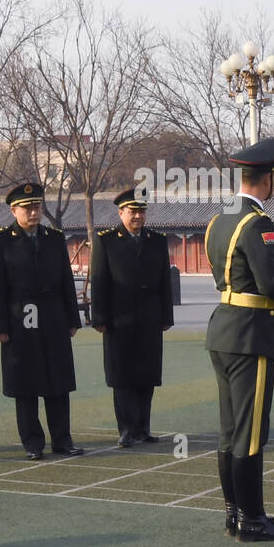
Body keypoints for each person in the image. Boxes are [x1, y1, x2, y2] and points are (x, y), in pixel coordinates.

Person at [203, 138, 274, 541]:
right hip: (249, 331)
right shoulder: (256, 222)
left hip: (224, 327)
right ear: (267, 179)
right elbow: (272, 285)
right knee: (249, 432)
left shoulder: (220, 219)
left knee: (230, 429)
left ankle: (234, 513)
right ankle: (252, 519)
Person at [0, 182, 83, 461]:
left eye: (37, 207)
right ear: (14, 210)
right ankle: (32, 442)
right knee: (25, 383)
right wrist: (0, 326)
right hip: (19, 317)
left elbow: (66, 279)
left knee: (58, 380)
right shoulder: (1, 240)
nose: (33, 212)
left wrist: (72, 318)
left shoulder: (54, 237)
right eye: (27, 208)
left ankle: (62, 440)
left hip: (53, 314)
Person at [90, 188, 174, 447]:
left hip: (149, 315)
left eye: (141, 211)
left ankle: (143, 428)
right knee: (122, 376)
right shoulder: (106, 240)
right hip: (119, 317)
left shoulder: (157, 240)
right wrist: (100, 317)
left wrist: (166, 315)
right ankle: (126, 429)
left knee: (147, 375)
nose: (138, 216)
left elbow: (164, 281)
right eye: (133, 211)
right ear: (121, 212)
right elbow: (99, 281)